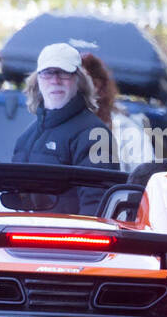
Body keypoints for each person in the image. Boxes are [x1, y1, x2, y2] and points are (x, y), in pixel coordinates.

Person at [11, 42, 116, 214]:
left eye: (64, 73)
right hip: (28, 238)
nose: (55, 80)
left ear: (79, 80)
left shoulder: (93, 135)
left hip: (69, 239)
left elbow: (96, 207)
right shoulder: (25, 138)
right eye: (47, 73)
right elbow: (15, 201)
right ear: (37, 80)